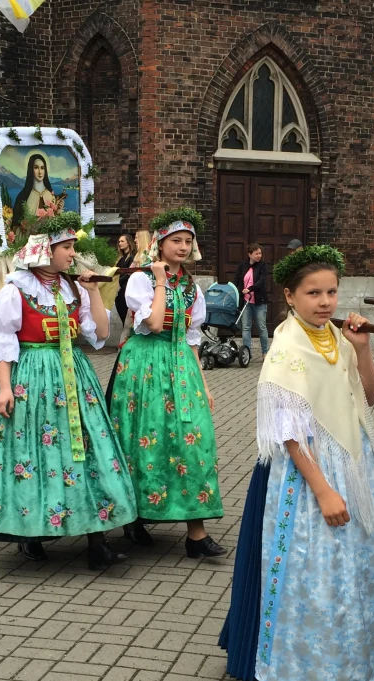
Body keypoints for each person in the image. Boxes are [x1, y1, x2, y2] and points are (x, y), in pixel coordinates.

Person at [219, 245, 374, 681]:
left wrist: (361, 350)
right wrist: (322, 489)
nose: (325, 302)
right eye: (313, 293)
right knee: (312, 571)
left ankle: (351, 654)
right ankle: (306, 661)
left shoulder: (336, 337)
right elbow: (288, 434)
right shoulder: (287, 347)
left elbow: (367, 399)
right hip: (304, 472)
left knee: (351, 565)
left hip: (352, 459)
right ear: (289, 296)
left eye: (331, 292)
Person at [0, 212, 137, 569]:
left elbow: (100, 335)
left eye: (72, 246)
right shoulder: (16, 289)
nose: (72, 254)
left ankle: (96, 541)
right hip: (33, 375)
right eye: (67, 247)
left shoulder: (72, 287)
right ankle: (30, 535)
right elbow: (3, 341)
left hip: (74, 374)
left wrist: (92, 292)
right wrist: (5, 388)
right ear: (45, 250)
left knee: (87, 452)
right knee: (34, 455)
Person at [107, 208, 226, 557]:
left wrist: (203, 385)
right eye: (177, 240)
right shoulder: (142, 279)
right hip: (144, 366)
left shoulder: (192, 287)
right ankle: (136, 517)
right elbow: (156, 324)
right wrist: (160, 280)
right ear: (160, 244)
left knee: (192, 444)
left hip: (181, 367)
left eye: (189, 241)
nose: (184, 247)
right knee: (146, 441)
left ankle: (196, 534)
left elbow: (191, 339)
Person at [234, 243, 270, 357]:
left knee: (261, 326)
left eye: (260, 253)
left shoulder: (263, 266)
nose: (259, 256)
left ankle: (265, 352)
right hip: (246, 302)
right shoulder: (243, 265)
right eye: (256, 253)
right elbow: (237, 279)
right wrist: (236, 290)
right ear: (250, 254)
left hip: (259, 301)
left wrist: (250, 289)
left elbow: (261, 281)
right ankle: (247, 352)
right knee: (246, 326)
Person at [12, 154, 63, 229]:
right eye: (36, 168)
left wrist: (58, 211)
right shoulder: (23, 197)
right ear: (31, 169)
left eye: (42, 168)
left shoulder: (50, 194)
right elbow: (16, 226)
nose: (40, 172)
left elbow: (56, 224)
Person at [114, 233, 136, 324]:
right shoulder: (121, 257)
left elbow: (129, 273)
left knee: (126, 316)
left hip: (126, 290)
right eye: (119, 241)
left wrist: (118, 281)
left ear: (129, 243)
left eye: (122, 241)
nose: (120, 243)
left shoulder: (132, 257)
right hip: (120, 290)